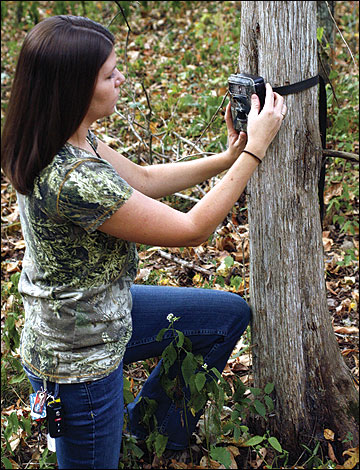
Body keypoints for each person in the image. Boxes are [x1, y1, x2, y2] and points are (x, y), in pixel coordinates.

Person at [1, 14, 286, 470]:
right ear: (75, 86)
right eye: (110, 73)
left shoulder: (68, 137)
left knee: (225, 316)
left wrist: (229, 156)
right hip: (79, 359)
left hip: (101, 307)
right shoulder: (73, 177)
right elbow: (192, 230)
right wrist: (256, 150)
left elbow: (146, 180)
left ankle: (148, 432)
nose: (121, 78)